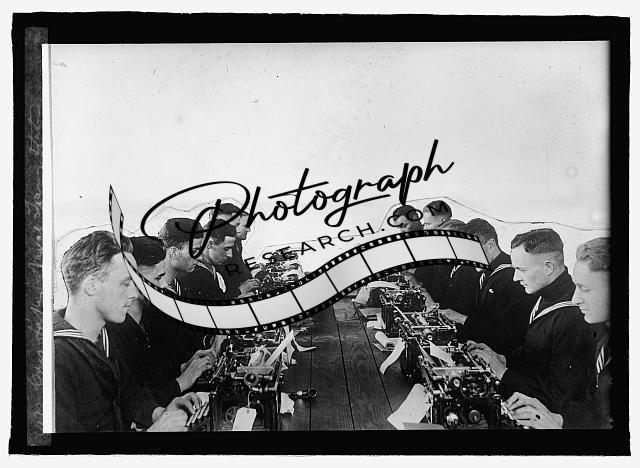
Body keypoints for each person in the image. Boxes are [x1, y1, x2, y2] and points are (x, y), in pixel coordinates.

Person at [54, 231, 201, 432]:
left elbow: (129, 396)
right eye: (125, 283)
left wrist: (159, 413)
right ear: (91, 286)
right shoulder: (57, 359)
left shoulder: (103, 337)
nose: (133, 293)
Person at [466, 228, 596, 414]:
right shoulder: (544, 293)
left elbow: (563, 398)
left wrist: (503, 374)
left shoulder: (573, 315)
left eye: (522, 269)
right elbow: (534, 354)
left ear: (548, 268)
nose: (515, 277)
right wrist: (501, 358)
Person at [506, 237, 612, 429]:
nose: (575, 299)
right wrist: (558, 420)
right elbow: (596, 413)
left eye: (584, 289)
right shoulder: (604, 340)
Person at [106, 236, 215, 406]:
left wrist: (184, 366)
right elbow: (132, 402)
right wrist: (181, 382)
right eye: (158, 278)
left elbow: (152, 375)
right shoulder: (114, 330)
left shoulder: (149, 315)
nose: (164, 285)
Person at [441, 219, 537, 356]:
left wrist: (461, 318)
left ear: (490, 244)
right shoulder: (488, 273)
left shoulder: (511, 276)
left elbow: (506, 332)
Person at [210, 203, 260, 298]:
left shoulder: (236, 242)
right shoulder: (219, 248)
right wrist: (238, 291)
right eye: (245, 225)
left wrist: (252, 278)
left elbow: (238, 266)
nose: (249, 230)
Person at [182, 220, 239, 301]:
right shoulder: (198, 275)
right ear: (210, 244)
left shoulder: (211, 268)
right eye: (226, 249)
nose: (230, 255)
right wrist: (239, 293)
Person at [157, 217, 205, 295]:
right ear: (173, 252)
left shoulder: (174, 284)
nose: (200, 257)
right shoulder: (158, 288)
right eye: (194, 251)